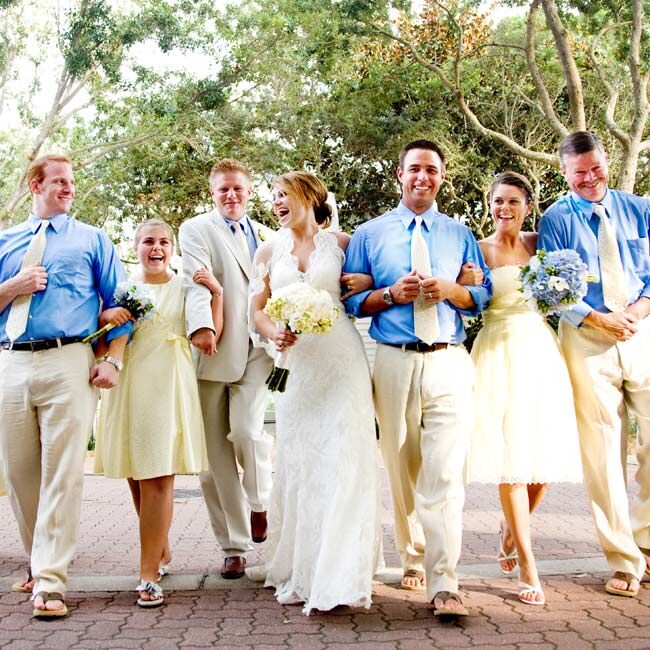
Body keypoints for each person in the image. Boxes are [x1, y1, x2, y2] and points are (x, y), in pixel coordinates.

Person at [343, 139, 491, 617]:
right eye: (414, 169)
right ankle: (413, 554)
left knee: (445, 472)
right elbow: (350, 302)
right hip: (393, 360)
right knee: (402, 465)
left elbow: (482, 295)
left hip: (448, 358)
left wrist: (452, 290)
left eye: (431, 169)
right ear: (399, 175)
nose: (422, 177)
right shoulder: (369, 234)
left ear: (441, 176)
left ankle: (445, 580)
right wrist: (389, 295)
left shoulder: (460, 235)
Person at [0, 154, 131, 618]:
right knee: (20, 475)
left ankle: (50, 581)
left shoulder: (93, 239)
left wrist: (112, 359)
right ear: (36, 185)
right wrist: (13, 285)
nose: (68, 188)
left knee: (63, 472)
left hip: (69, 360)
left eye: (71, 182)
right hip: (11, 362)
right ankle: (40, 563)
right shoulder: (6, 241)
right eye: (59, 181)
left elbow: (120, 303)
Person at [249, 171, 379, 614]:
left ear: (309, 196)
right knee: (303, 460)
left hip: (341, 360)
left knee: (343, 458)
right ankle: (303, 565)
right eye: (274, 197)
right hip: (298, 366)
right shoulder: (269, 250)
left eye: (283, 194)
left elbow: (366, 288)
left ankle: (341, 570)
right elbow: (257, 309)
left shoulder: (342, 245)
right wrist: (273, 333)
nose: (277, 203)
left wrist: (365, 285)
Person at [460, 171, 582, 605]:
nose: (504, 209)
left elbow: (564, 295)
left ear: (527, 205)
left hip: (540, 351)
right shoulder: (478, 251)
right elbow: (468, 301)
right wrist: (468, 285)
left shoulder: (541, 247)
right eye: (497, 201)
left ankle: (512, 527)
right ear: (489, 205)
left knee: (543, 468)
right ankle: (529, 563)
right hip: (496, 352)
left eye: (513, 201)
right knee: (510, 459)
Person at [538, 131, 650, 598]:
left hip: (641, 328)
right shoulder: (556, 219)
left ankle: (646, 541)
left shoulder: (638, 208)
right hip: (586, 337)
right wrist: (600, 319)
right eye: (579, 172)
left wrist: (637, 313)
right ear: (565, 172)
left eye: (595, 168)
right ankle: (623, 559)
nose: (589, 178)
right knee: (603, 451)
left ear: (606, 162)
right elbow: (549, 284)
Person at [94, 220, 213, 608]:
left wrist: (219, 293)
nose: (156, 248)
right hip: (129, 386)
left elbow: (211, 334)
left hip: (168, 387)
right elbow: (103, 337)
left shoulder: (186, 287)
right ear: (135, 245)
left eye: (164, 241)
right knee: (135, 471)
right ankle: (159, 545)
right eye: (148, 241)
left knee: (158, 476)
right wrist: (105, 317)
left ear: (172, 248)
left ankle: (147, 575)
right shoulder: (123, 289)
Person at [178, 159, 274, 580]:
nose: (231, 196)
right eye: (223, 191)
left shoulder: (269, 236)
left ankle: (259, 501)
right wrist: (201, 327)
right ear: (213, 193)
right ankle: (233, 546)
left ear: (249, 191)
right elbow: (196, 280)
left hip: (259, 350)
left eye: (237, 189)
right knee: (214, 460)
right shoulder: (197, 229)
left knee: (249, 430)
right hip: (214, 349)